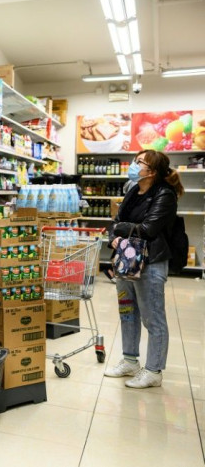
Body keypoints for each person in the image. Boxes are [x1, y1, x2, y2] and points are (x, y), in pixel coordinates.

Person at [104, 150, 184, 388]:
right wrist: (114, 237)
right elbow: (114, 222)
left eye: (139, 162)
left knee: (153, 317)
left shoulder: (165, 194)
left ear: (152, 171)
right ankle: (130, 360)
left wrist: (120, 229)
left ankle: (153, 370)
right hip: (126, 259)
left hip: (151, 262)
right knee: (127, 313)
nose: (133, 165)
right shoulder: (132, 189)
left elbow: (149, 229)